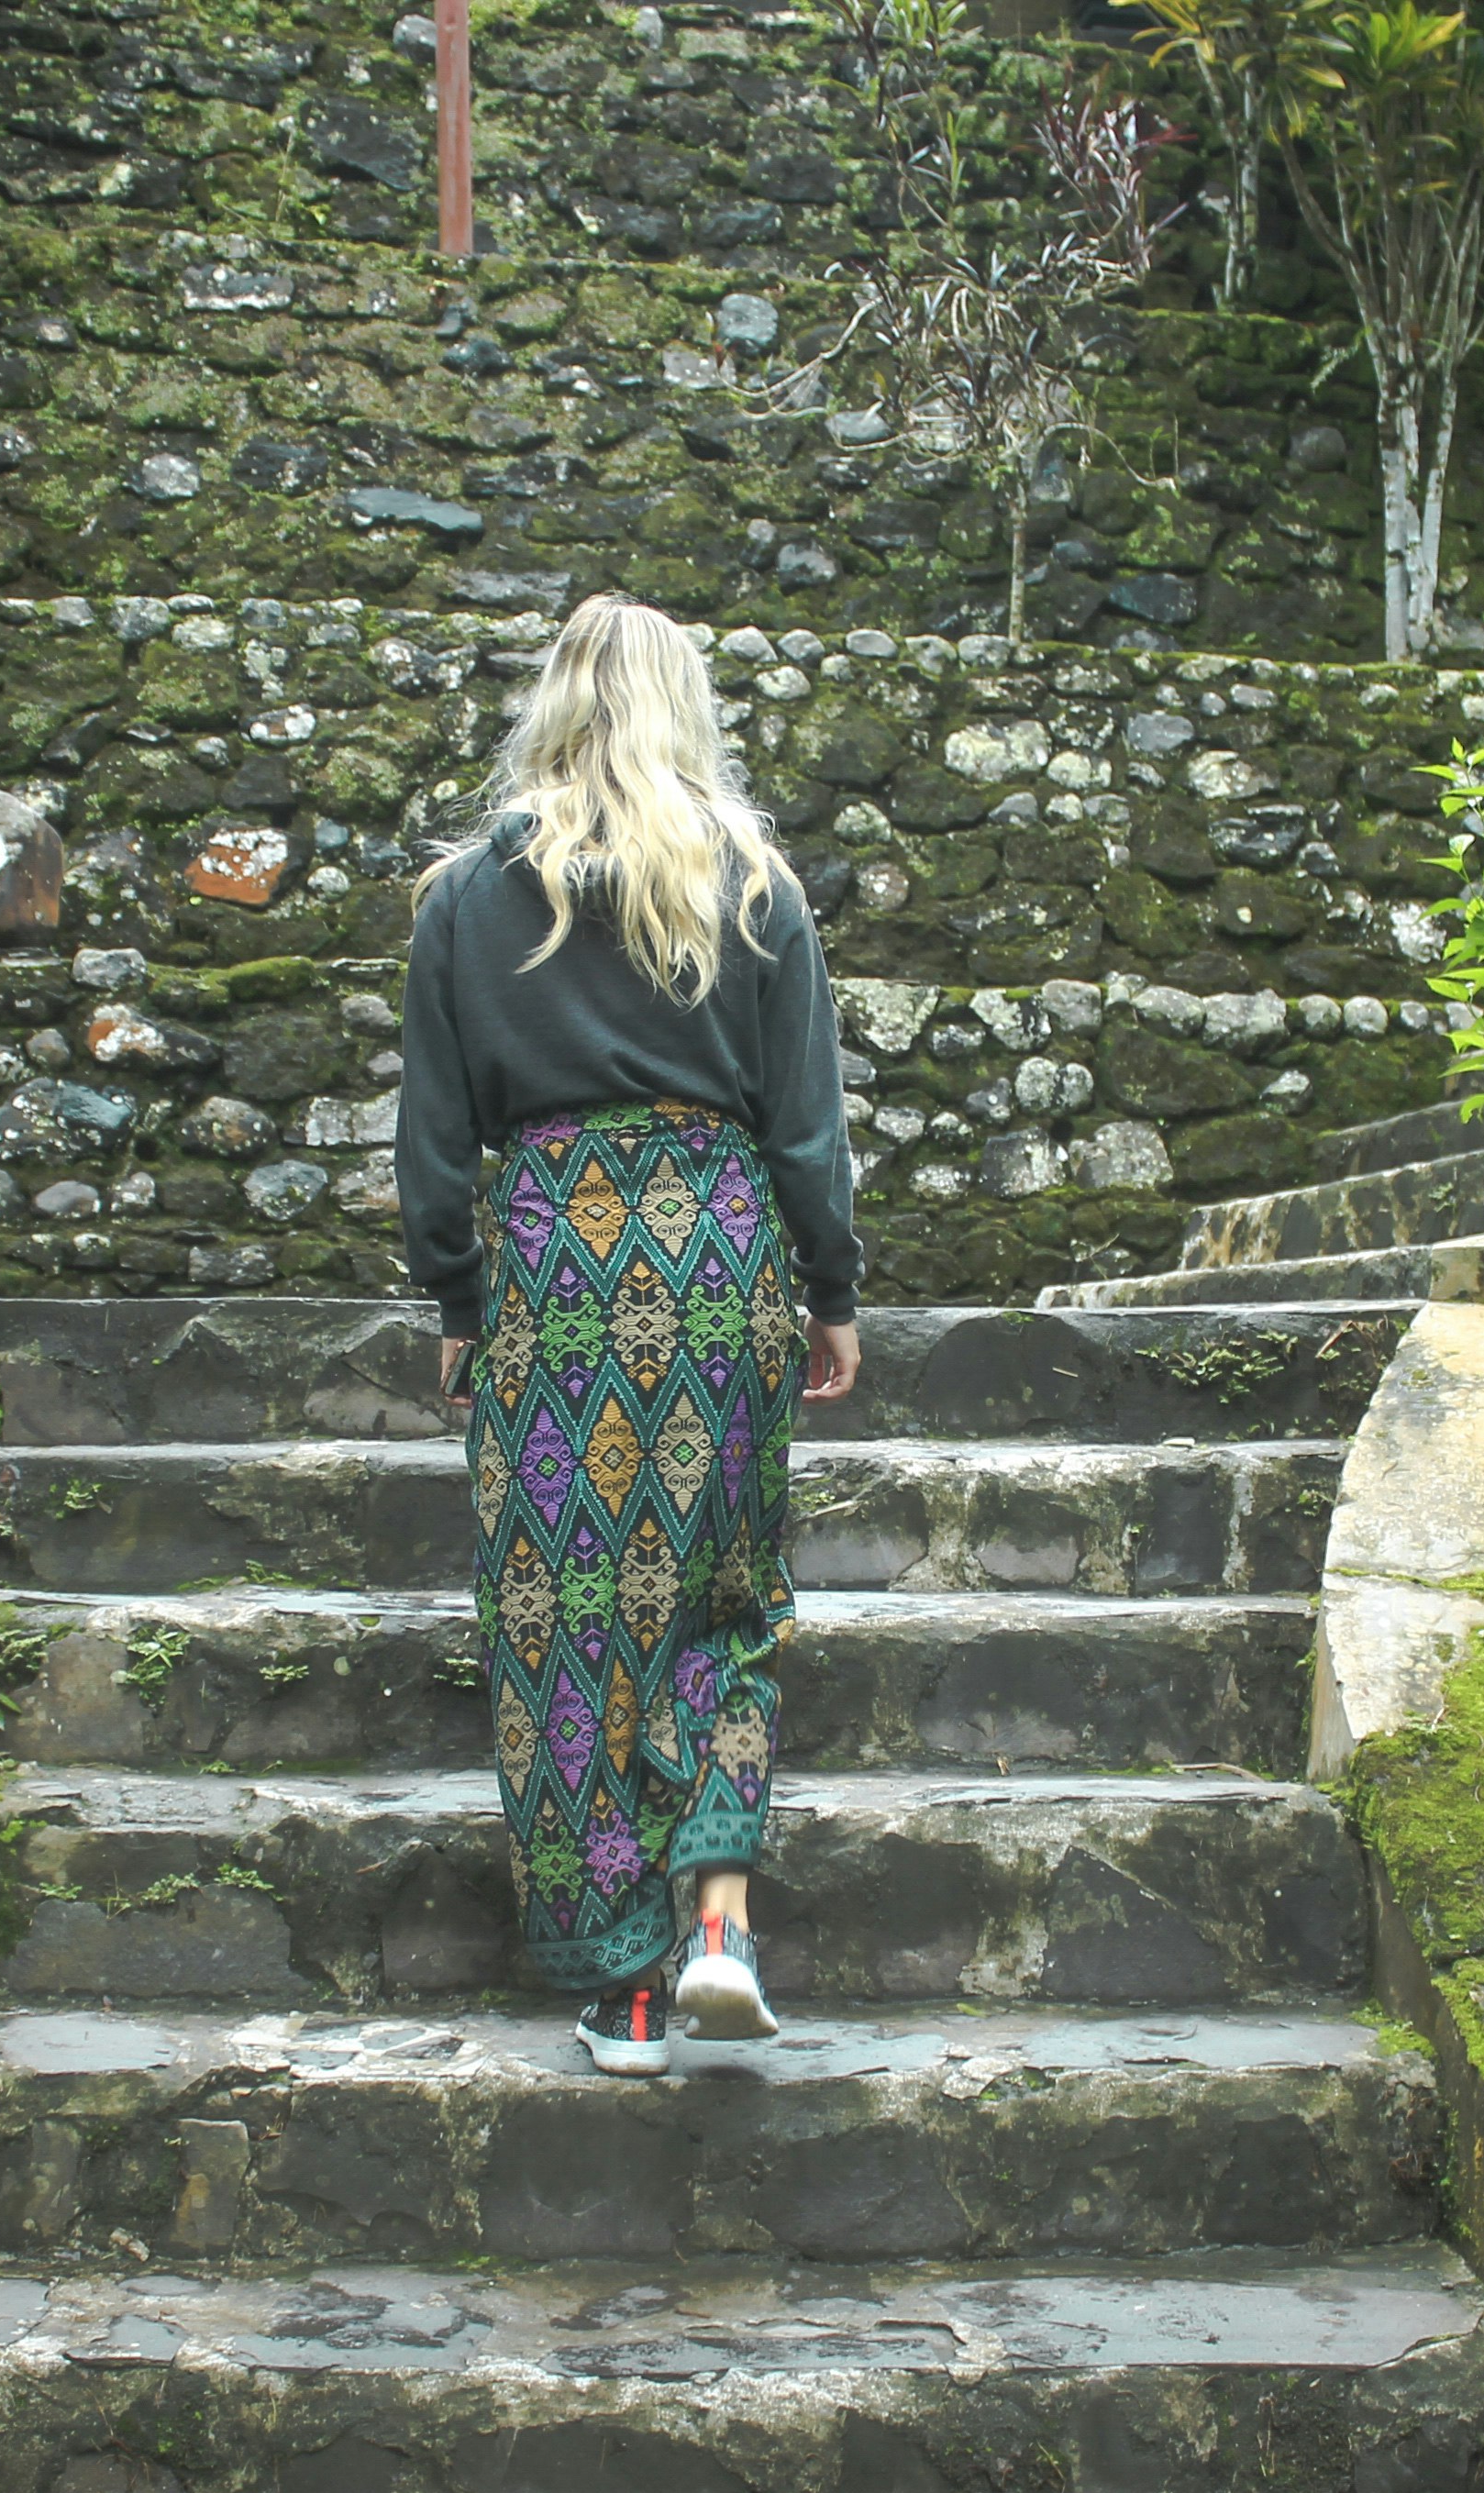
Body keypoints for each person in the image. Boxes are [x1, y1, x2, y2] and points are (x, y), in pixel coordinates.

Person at [395, 593, 864, 2077]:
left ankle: (633, 1988)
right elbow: (804, 1130)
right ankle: (718, 1921)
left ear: (553, 705)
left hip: (556, 1262)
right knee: (722, 1598)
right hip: (718, 1257)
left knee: (571, 1626)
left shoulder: (471, 897)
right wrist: (830, 1291)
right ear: (687, 707)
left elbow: (433, 1143)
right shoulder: (753, 889)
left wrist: (461, 1302)